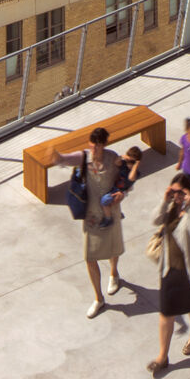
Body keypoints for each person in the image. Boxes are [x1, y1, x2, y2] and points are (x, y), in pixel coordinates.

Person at [148, 171, 190, 375]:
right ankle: (162, 357)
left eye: (181, 193)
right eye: (174, 192)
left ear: (189, 193)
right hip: (170, 269)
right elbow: (154, 220)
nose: (177, 197)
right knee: (166, 314)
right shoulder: (170, 208)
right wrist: (165, 202)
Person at [79, 125, 126, 316]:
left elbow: (124, 183)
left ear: (104, 145)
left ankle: (114, 273)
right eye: (93, 145)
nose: (95, 149)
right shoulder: (83, 161)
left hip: (110, 212)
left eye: (99, 145)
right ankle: (98, 298)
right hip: (91, 216)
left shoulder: (113, 158)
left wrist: (120, 195)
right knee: (89, 256)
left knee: (113, 249)